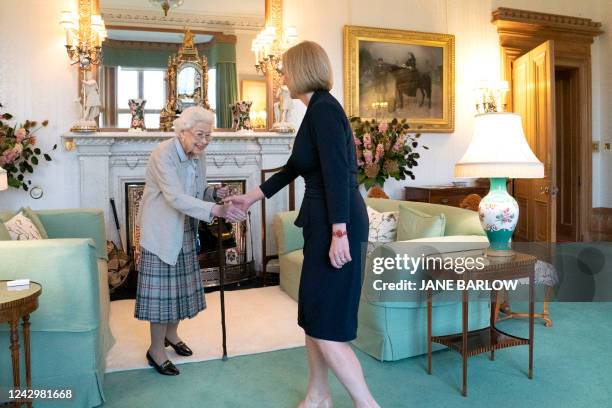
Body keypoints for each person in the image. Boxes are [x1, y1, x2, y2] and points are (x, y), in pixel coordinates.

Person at [226, 41, 379, 408]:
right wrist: (252, 197)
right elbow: (296, 167)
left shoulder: (324, 110)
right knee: (313, 314)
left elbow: (339, 174)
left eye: (285, 69)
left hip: (335, 223)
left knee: (326, 323)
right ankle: (318, 395)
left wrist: (339, 232)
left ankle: (367, 404)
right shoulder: (314, 112)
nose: (282, 76)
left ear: (302, 69)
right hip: (321, 222)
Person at [135, 106, 246, 376]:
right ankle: (155, 351)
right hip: (161, 231)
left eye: (208, 136)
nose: (204, 141)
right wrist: (216, 211)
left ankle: (171, 336)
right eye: (200, 134)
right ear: (182, 131)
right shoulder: (164, 154)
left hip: (185, 228)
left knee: (179, 291)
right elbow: (174, 197)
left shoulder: (198, 156)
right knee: (162, 297)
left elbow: (196, 191)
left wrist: (214, 193)